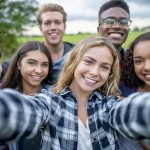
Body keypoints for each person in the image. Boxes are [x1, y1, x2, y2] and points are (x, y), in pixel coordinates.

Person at [0, 3, 74, 84]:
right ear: (40, 28)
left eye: (57, 22)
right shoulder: (33, 51)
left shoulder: (77, 53)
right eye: (47, 23)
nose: (53, 27)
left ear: (64, 27)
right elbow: (10, 65)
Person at [0, 41, 53, 150]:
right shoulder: (6, 96)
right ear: (19, 64)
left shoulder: (54, 96)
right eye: (32, 63)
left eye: (44, 65)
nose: (39, 70)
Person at [97, 0, 131, 71]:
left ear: (128, 30)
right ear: (98, 29)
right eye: (109, 21)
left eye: (124, 22)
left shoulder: (134, 63)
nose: (117, 26)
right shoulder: (80, 61)